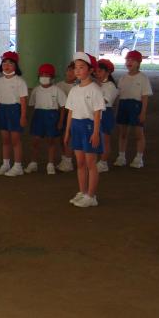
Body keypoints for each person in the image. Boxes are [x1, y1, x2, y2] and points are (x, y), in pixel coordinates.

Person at [63, 53, 105, 208]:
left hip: (89, 127)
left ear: (90, 70)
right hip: (76, 127)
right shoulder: (74, 90)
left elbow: (97, 113)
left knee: (90, 163)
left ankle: (91, 196)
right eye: (76, 68)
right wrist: (67, 131)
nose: (78, 71)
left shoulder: (94, 89)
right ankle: (82, 191)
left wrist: (95, 133)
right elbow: (70, 112)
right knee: (80, 163)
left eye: (82, 67)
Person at [26, 63, 67, 175]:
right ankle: (33, 163)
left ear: (52, 77)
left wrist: (60, 121)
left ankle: (50, 164)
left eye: (47, 75)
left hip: (52, 116)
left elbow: (63, 107)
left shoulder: (57, 90)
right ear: (39, 76)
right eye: (42, 74)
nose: (44, 77)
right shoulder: (36, 90)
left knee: (51, 141)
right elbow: (32, 105)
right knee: (35, 141)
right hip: (38, 115)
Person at [114, 50, 152, 169]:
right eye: (127, 60)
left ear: (138, 63)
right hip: (123, 105)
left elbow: (145, 97)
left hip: (136, 106)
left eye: (133, 60)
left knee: (138, 133)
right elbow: (119, 95)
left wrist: (143, 112)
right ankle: (121, 156)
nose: (129, 62)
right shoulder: (123, 78)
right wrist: (117, 110)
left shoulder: (143, 78)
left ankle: (139, 158)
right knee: (122, 133)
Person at [0, 51, 28, 177]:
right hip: (2, 110)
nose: (7, 65)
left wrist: (23, 116)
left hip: (15, 110)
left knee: (15, 140)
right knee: (5, 140)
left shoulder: (20, 81)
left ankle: (18, 166)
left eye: (10, 63)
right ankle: (6, 164)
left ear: (16, 66)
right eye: (4, 63)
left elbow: (23, 101)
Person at [96, 59, 119, 173]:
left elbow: (104, 101)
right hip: (97, 113)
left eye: (100, 71)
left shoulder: (111, 86)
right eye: (96, 71)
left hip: (105, 113)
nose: (97, 74)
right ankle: (99, 161)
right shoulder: (97, 84)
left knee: (105, 140)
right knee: (98, 139)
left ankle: (103, 163)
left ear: (107, 72)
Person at [56, 62, 77, 172]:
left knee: (68, 137)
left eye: (73, 71)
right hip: (61, 114)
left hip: (73, 115)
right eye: (69, 70)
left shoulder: (77, 86)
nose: (70, 73)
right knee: (61, 138)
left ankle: (68, 161)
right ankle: (64, 158)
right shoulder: (59, 85)